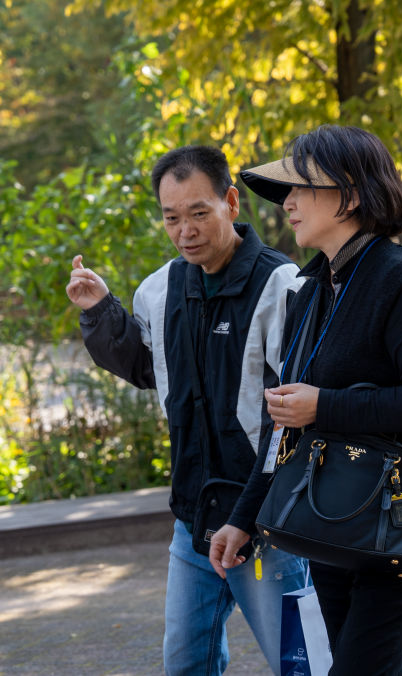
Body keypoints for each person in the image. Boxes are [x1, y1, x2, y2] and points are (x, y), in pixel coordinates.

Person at [210, 125, 402, 675]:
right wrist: (244, 518)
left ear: (348, 195)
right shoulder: (312, 288)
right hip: (330, 521)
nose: (289, 205)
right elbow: (284, 424)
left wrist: (324, 405)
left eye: (300, 189)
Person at [65, 145, 310, 675]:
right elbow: (146, 368)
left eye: (199, 213)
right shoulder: (159, 289)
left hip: (266, 523)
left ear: (231, 202)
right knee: (184, 665)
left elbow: (291, 423)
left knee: (303, 665)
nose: (185, 231)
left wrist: (250, 517)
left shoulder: (282, 286)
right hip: (193, 520)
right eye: (172, 218)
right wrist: (102, 311)